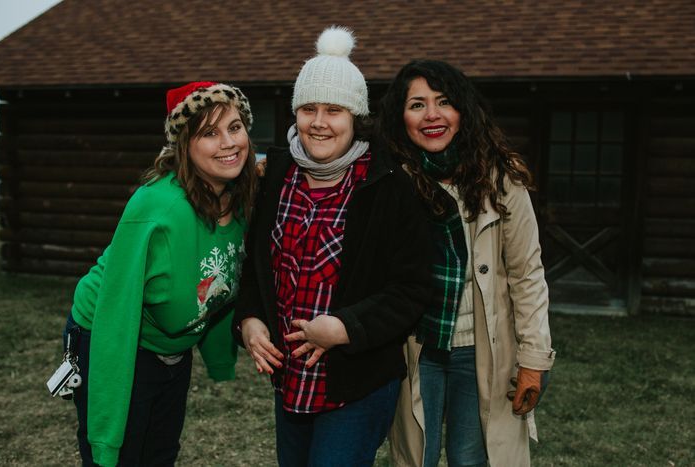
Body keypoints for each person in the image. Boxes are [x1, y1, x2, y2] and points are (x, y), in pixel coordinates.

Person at [233, 27, 431, 467]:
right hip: (291, 378)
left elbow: (413, 288)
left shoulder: (390, 185)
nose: (319, 122)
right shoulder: (276, 176)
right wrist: (249, 320)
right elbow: (256, 268)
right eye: (308, 108)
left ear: (356, 116)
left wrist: (345, 328)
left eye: (334, 110)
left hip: (356, 379)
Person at [62, 81, 257, 466]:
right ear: (184, 144)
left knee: (162, 453)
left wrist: (220, 357)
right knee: (123, 454)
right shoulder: (156, 209)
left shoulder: (243, 193)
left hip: (173, 344)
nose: (229, 143)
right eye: (209, 133)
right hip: (114, 333)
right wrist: (105, 433)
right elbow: (117, 312)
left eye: (235, 127)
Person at [380, 60, 556, 467]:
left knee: (470, 460)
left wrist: (533, 360)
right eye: (417, 104)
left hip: (480, 351)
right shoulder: (389, 179)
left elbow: (527, 274)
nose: (432, 116)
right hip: (414, 349)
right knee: (413, 458)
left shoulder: (501, 179)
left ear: (463, 110)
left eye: (444, 102)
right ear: (400, 116)